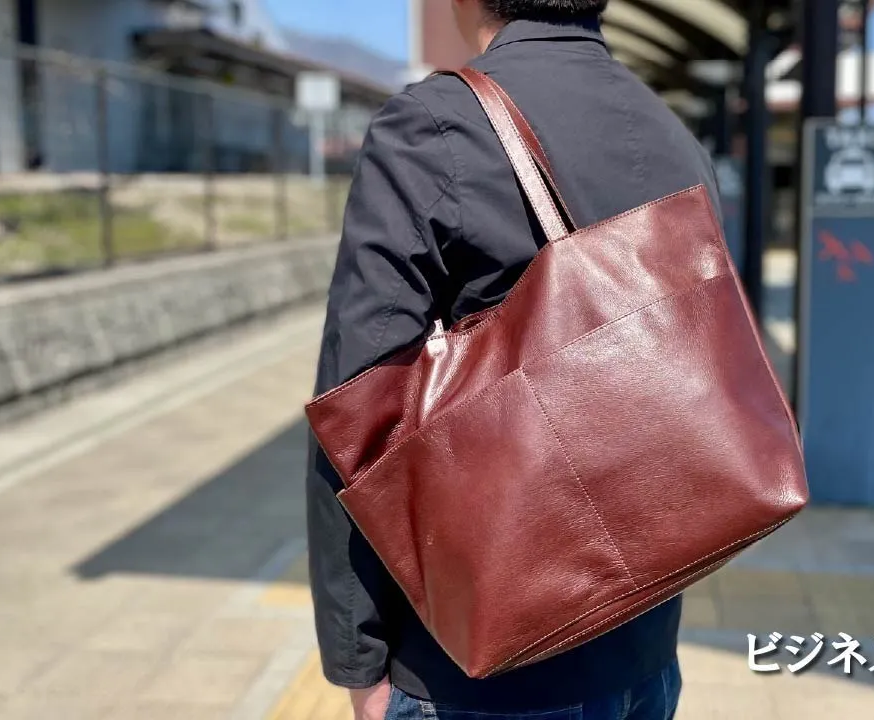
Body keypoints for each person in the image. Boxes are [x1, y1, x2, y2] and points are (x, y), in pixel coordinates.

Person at [305, 1, 720, 718]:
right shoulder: (671, 131)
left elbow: (359, 400)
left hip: (476, 666)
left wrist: (358, 657)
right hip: (645, 650)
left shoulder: (434, 126)